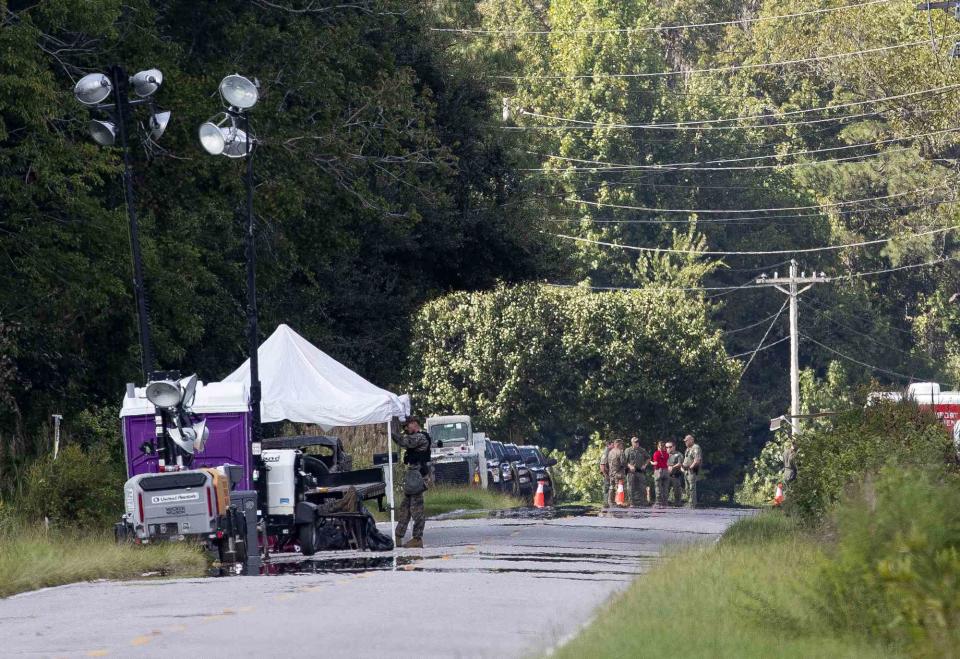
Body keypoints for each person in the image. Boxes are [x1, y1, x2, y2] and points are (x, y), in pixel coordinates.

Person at [393, 416, 433, 548]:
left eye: (407, 426)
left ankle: (417, 538)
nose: (406, 429)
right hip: (412, 477)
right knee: (405, 508)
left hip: (418, 477)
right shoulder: (414, 437)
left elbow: (405, 442)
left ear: (414, 424)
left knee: (416, 509)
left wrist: (392, 434)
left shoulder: (420, 437)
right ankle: (398, 536)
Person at [624, 437, 650, 507]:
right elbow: (624, 461)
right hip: (631, 471)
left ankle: (643, 502)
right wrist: (629, 466)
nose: (637, 443)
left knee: (642, 486)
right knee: (631, 487)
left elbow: (648, 458)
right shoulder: (628, 450)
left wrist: (645, 465)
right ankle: (632, 502)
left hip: (640, 471)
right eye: (635, 442)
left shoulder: (642, 450)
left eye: (638, 442)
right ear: (632, 443)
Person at [681, 434, 703, 508]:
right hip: (686, 471)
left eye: (687, 441)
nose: (685, 442)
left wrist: (691, 467)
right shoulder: (688, 449)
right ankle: (689, 501)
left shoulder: (695, 447)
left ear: (691, 440)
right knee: (687, 488)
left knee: (691, 487)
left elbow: (697, 459)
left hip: (692, 470)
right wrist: (683, 467)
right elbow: (686, 460)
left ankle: (692, 504)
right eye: (685, 441)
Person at [605, 439, 627, 507]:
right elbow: (623, 463)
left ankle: (610, 502)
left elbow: (606, 463)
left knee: (611, 486)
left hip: (611, 472)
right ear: (619, 444)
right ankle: (620, 502)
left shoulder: (610, 452)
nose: (622, 446)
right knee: (621, 487)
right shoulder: (620, 452)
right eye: (621, 444)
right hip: (619, 473)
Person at [651, 440, 669, 505]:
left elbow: (656, 463)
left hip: (659, 471)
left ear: (658, 446)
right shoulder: (666, 454)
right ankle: (665, 501)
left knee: (658, 487)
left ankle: (658, 502)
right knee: (665, 487)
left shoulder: (656, 453)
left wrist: (651, 462)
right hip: (666, 471)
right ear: (664, 447)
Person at [666, 441, 684, 505]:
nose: (668, 448)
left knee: (677, 492)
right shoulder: (664, 454)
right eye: (667, 447)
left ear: (674, 447)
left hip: (675, 476)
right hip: (666, 476)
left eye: (670, 447)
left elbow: (680, 463)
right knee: (664, 492)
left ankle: (677, 504)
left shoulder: (678, 454)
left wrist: (672, 467)